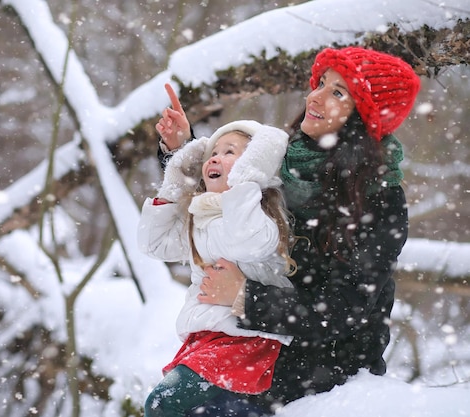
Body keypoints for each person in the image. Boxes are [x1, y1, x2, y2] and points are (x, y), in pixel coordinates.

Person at [155, 46, 421, 415]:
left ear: (362, 118)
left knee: (177, 406)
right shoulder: (282, 158)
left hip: (324, 363)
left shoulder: (379, 198)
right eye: (322, 83)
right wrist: (179, 150)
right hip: (256, 337)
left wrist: (246, 296)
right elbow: (219, 193)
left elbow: (346, 309)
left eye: (338, 93)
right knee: (167, 403)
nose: (316, 96)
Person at [138, 119, 296, 416]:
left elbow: (244, 241)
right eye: (214, 152)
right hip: (209, 339)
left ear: (256, 163)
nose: (215, 157)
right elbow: (154, 245)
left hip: (246, 340)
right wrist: (174, 179)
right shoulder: (202, 215)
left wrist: (246, 180)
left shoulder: (264, 217)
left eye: (230, 152)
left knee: (164, 404)